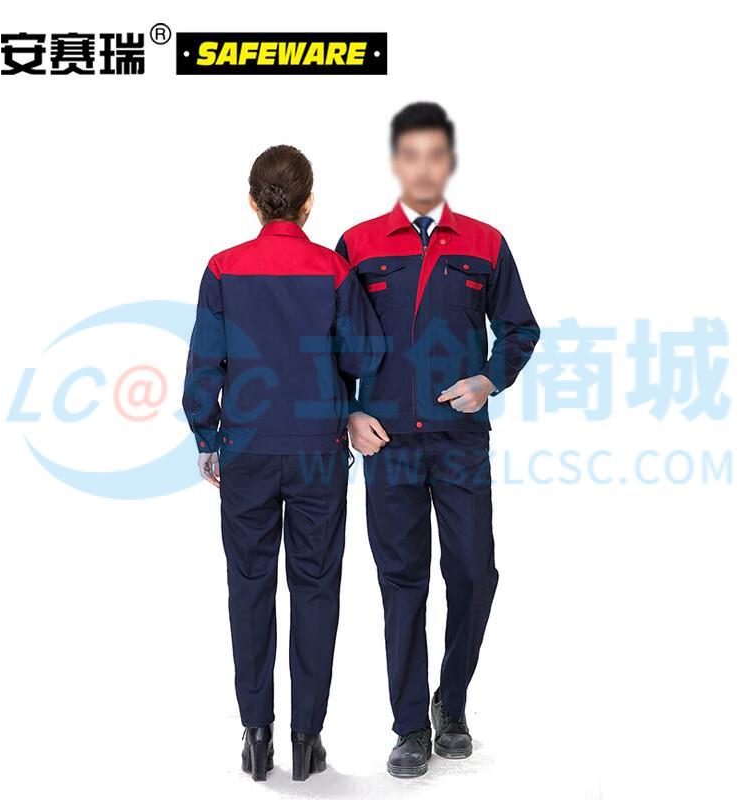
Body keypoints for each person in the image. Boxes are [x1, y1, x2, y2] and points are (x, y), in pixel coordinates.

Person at [335, 103, 540, 778]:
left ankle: (451, 703)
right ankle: (408, 728)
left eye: (435, 155)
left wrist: (490, 379)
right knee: (403, 583)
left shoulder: (484, 242)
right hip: (388, 441)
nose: (423, 167)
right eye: (411, 155)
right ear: (397, 163)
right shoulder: (358, 244)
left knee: (475, 572)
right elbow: (328, 340)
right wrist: (348, 412)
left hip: (459, 439)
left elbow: (520, 328)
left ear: (448, 163)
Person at [183, 145, 385, 782]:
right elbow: (364, 355)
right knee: (316, 585)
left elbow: (205, 361)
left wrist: (207, 436)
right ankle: (306, 738)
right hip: (317, 451)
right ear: (308, 202)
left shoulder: (222, 269)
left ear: (252, 201)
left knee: (248, 586)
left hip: (245, 449)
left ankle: (255, 735)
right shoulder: (332, 270)